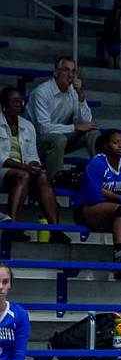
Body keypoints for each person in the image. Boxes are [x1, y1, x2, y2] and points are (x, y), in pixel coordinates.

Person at [71, 130, 121, 267]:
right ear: (106, 146)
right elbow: (95, 196)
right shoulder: (96, 163)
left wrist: (109, 193)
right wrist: (120, 195)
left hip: (115, 207)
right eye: (115, 143)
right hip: (87, 208)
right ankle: (119, 253)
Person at [0, 87, 71, 243]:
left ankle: (55, 230)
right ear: (4, 104)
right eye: (14, 101)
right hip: (3, 170)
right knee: (23, 174)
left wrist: (34, 164)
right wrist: (24, 167)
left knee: (42, 176)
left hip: (21, 170)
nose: (19, 104)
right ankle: (11, 227)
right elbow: (1, 157)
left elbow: (32, 154)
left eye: (21, 101)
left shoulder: (27, 125)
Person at [25, 57, 100, 178]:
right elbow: (43, 129)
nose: (71, 75)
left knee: (92, 133)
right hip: (35, 142)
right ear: (55, 73)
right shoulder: (41, 93)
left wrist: (81, 96)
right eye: (66, 70)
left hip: (60, 139)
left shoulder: (73, 91)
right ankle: (57, 180)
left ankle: (104, 175)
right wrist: (74, 127)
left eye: (73, 71)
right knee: (59, 139)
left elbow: (86, 122)